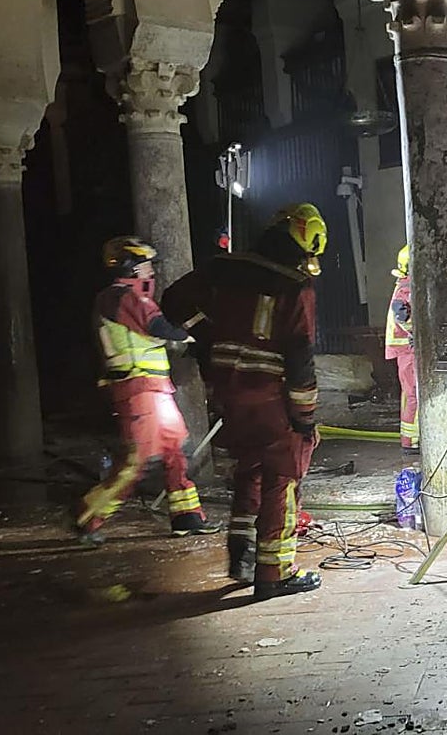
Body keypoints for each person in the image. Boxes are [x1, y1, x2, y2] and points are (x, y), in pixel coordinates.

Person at [165, 204, 326, 601]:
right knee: (282, 478)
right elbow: (300, 356)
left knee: (250, 469)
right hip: (272, 396)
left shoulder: (224, 267)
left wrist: (208, 337)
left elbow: (173, 299)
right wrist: (305, 418)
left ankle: (242, 555)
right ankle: (274, 572)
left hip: (228, 393)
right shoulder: (295, 285)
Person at [75, 237, 220, 545]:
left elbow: (155, 334)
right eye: (145, 266)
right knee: (136, 462)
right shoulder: (122, 297)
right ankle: (88, 515)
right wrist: (197, 331)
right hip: (137, 390)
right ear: (129, 267)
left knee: (174, 452)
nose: (151, 271)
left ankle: (187, 517)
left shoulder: (123, 300)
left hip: (154, 390)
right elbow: (159, 327)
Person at [385, 245, 419, 456]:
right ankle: (411, 441)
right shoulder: (407, 288)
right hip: (407, 349)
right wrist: (416, 333)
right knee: (414, 394)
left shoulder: (405, 285)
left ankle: (412, 438)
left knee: (412, 394)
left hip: (407, 348)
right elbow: (402, 316)